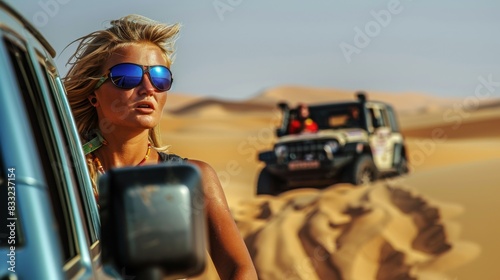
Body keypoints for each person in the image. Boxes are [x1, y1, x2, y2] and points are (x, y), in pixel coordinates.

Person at [63, 15, 257, 280]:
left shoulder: (192, 178)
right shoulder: (65, 175)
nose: (147, 88)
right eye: (126, 77)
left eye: (159, 77)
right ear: (92, 94)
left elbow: (240, 269)